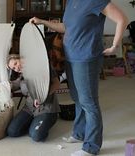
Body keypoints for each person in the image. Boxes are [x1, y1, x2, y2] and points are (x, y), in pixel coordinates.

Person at [29, 1, 128, 155]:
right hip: (70, 56)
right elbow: (66, 27)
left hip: (86, 58)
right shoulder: (71, 2)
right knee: (77, 98)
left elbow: (122, 19)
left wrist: (115, 45)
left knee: (89, 102)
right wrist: (42, 21)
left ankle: (91, 147)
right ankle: (79, 134)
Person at [6, 54, 60, 142]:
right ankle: (35, 123)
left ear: (20, 58)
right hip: (30, 108)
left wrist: (42, 97)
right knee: (12, 131)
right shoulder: (23, 74)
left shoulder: (43, 65)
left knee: (36, 136)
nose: (16, 68)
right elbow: (15, 84)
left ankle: (43, 122)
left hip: (46, 108)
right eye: (14, 68)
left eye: (16, 63)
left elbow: (57, 83)